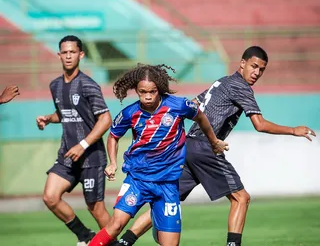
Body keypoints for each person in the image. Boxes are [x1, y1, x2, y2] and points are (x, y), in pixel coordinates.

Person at [112, 46, 317, 246]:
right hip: (205, 148)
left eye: (261, 69)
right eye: (254, 66)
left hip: (188, 147)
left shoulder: (222, 82)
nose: (257, 72)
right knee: (241, 198)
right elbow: (259, 124)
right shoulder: (241, 87)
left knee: (166, 201)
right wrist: (293, 130)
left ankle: (124, 242)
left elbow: (193, 104)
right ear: (242, 63)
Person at [88, 64, 229, 246]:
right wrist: (112, 163)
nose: (147, 96)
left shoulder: (178, 105)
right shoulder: (130, 113)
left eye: (152, 91)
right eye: (142, 92)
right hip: (138, 181)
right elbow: (113, 136)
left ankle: (158, 220)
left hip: (168, 185)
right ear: (136, 91)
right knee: (115, 225)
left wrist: (214, 141)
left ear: (159, 89)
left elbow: (200, 117)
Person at [36, 35, 113, 246]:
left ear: (81, 55)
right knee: (50, 197)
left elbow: (105, 119)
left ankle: (115, 245)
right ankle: (84, 235)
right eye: (64, 52)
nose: (68, 56)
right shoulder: (55, 85)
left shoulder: (88, 85)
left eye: (72, 52)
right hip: (67, 156)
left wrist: (83, 144)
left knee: (95, 208)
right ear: (59, 55)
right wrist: (48, 119)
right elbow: (64, 112)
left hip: (91, 157)